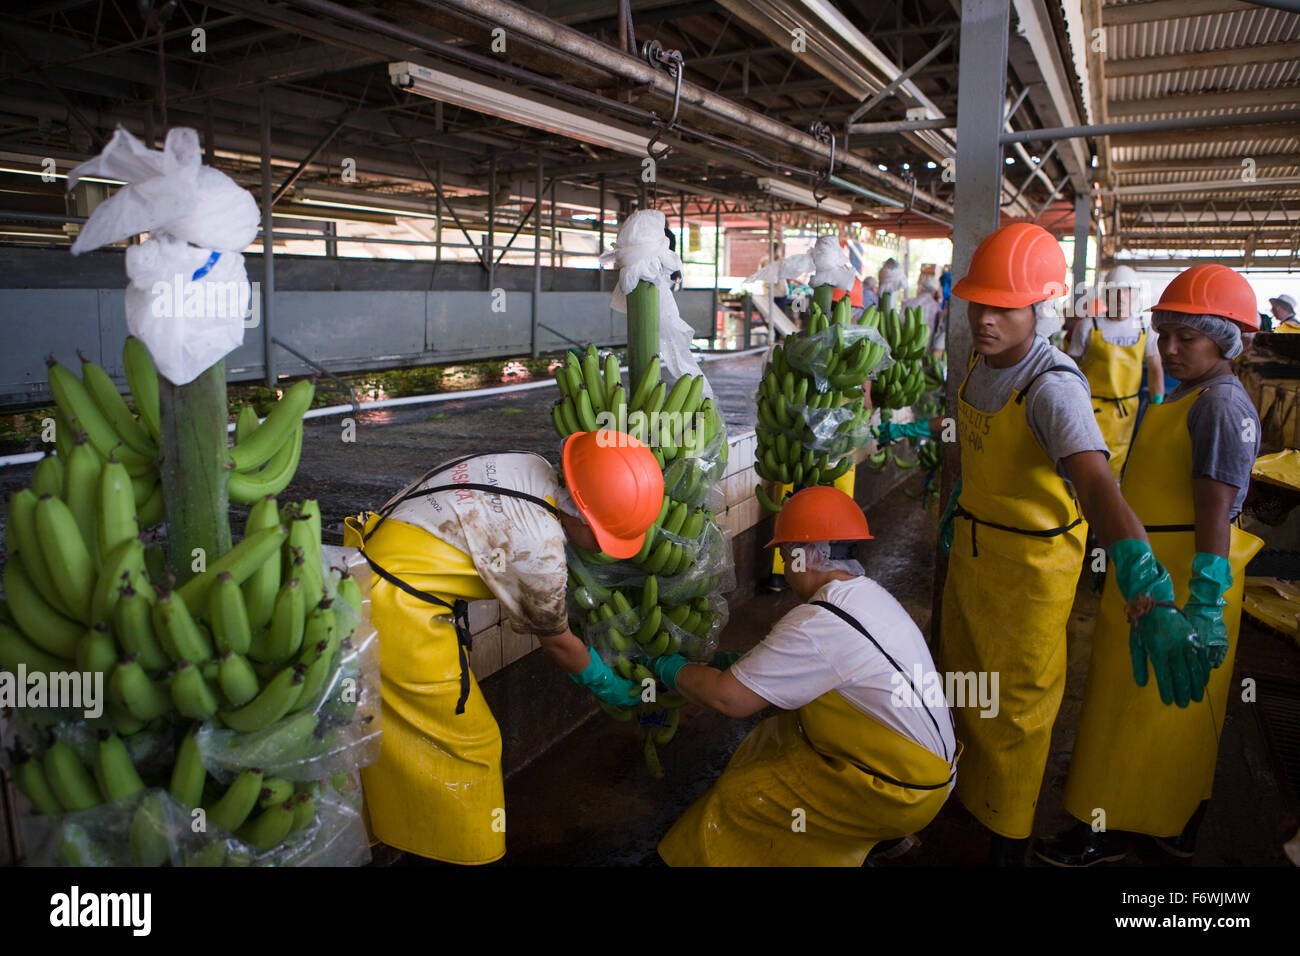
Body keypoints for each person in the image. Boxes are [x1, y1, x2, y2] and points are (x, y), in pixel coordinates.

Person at [873, 222, 1197, 865]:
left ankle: (1007, 845)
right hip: (972, 552)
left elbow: (1100, 487)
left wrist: (1142, 579)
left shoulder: (1054, 388)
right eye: (978, 302)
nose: (987, 318)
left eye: (1005, 307)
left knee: (1015, 711)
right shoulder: (979, 359)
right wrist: (935, 474)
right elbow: (965, 432)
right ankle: (955, 804)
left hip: (1027, 571)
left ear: (1041, 310)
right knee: (963, 688)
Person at [343, 432, 664, 864]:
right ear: (585, 521)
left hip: (368, 564)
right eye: (607, 539)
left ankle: (390, 835)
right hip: (397, 610)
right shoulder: (540, 552)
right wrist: (605, 683)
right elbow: (557, 642)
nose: (607, 552)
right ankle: (463, 853)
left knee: (393, 732)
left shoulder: (529, 465)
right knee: (470, 747)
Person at [1039, 265, 1266, 866]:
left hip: (1186, 579)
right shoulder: (1188, 394)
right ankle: (1132, 819)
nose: (1168, 347)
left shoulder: (1220, 406)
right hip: (1146, 571)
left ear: (1224, 339)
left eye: (1185, 337)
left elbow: (1215, 510)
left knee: (1163, 711)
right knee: (1127, 703)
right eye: (1164, 332)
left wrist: (1205, 603)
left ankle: (1150, 822)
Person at [656, 486, 957, 866]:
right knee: (777, 735)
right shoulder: (866, 596)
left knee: (741, 798)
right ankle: (866, 835)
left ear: (805, 555)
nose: (783, 566)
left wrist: (667, 668)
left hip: (900, 791)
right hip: (925, 772)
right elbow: (817, 665)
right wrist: (735, 664)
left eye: (784, 555)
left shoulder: (819, 622)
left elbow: (728, 699)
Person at [1066, 265, 1165, 480]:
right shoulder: (1088, 326)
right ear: (1105, 294)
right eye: (1115, 291)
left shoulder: (1144, 328)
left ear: (1136, 294)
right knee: (1083, 461)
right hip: (1089, 409)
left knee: (1115, 464)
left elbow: (1156, 368)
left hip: (1125, 412)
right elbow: (1069, 368)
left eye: (1127, 290)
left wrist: (1157, 405)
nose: (1121, 297)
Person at [903, 274, 944, 352]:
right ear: (934, 290)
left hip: (906, 346)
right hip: (926, 349)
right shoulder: (936, 307)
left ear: (921, 287)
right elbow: (939, 330)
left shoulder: (908, 303)